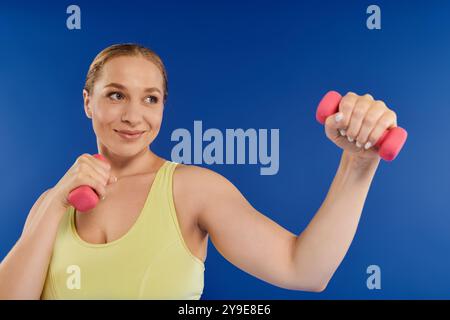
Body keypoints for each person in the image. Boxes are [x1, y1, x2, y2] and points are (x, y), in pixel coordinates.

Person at [0, 43, 399, 299]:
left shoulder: (191, 190)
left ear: (163, 107)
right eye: (116, 95)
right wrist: (55, 202)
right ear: (88, 102)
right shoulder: (50, 206)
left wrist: (359, 163)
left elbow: (305, 270)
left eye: (150, 99)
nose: (133, 115)